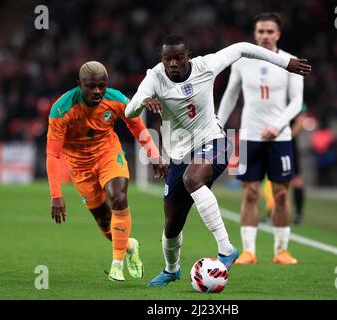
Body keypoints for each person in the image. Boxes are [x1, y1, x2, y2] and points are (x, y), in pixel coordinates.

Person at [125, 34, 310, 286]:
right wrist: (143, 102)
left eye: (179, 57)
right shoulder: (154, 77)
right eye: (168, 58)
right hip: (179, 155)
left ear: (188, 56)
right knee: (172, 224)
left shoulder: (206, 65)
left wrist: (284, 63)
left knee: (193, 178)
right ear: (162, 59)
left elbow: (243, 48)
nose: (174, 63)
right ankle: (171, 269)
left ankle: (226, 249)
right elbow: (129, 110)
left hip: (214, 142)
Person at [46, 61, 167, 282]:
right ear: (79, 85)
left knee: (118, 196)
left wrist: (154, 154)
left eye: (102, 86)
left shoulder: (116, 99)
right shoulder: (61, 110)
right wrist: (56, 195)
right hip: (80, 167)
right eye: (91, 86)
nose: (98, 91)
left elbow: (136, 125)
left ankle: (117, 265)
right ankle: (129, 245)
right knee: (104, 222)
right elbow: (53, 155)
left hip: (108, 155)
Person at [218, 13, 305, 265]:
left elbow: (297, 101)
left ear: (278, 34)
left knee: (280, 194)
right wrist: (217, 125)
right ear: (255, 34)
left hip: (280, 138)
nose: (265, 36)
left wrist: (278, 125)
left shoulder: (291, 62)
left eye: (270, 31)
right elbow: (230, 96)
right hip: (247, 136)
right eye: (261, 31)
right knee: (250, 193)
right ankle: (248, 251)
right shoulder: (242, 61)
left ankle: (281, 250)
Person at [261, 103, 308, 225]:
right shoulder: (275, 96)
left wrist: (286, 137)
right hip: (275, 143)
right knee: (273, 179)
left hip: (288, 145)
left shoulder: (294, 98)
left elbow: (301, 121)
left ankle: (297, 215)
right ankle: (272, 213)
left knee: (295, 180)